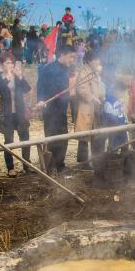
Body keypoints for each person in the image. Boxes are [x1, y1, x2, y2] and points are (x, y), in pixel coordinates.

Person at [37, 45, 77, 174]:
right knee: (52, 137)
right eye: (71, 57)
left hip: (62, 109)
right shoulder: (48, 69)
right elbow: (40, 86)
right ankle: (50, 166)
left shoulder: (68, 70)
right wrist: (41, 100)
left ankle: (60, 165)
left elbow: (70, 90)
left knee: (63, 137)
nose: (72, 60)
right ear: (62, 55)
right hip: (50, 109)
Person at [0, 53, 32, 177]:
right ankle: (10, 168)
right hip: (6, 113)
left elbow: (27, 89)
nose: (10, 65)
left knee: (25, 139)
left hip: (20, 112)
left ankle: (27, 165)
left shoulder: (17, 76)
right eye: (7, 63)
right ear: (2, 64)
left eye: (11, 63)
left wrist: (20, 77)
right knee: (9, 141)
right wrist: (6, 78)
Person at [74, 51, 105, 167]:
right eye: (97, 60)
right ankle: (83, 162)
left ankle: (94, 159)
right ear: (91, 61)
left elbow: (99, 87)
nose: (99, 62)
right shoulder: (84, 72)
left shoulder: (94, 72)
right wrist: (92, 98)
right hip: (86, 108)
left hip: (95, 108)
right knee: (84, 135)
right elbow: (81, 88)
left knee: (93, 134)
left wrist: (101, 97)